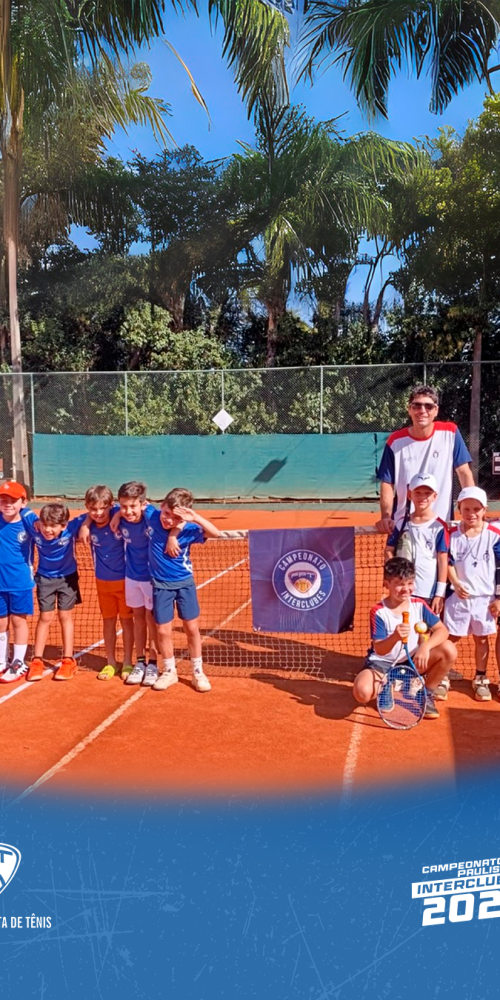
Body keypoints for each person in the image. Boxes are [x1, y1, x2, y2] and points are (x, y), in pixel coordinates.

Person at [353, 556, 457, 719]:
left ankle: (425, 693)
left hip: (412, 661)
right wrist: (395, 637)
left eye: (410, 583)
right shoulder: (378, 612)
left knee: (449, 649)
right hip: (383, 664)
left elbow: (442, 631)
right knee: (362, 692)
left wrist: (425, 647)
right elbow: (379, 649)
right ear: (386, 584)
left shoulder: (419, 605)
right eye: (399, 584)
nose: (406, 589)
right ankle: (386, 685)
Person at [147, 487, 220, 693]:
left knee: (192, 629)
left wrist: (193, 518)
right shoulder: (151, 516)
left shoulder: (189, 529)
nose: (168, 520)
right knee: (163, 631)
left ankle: (198, 671)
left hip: (185, 584)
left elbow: (215, 533)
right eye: (166, 513)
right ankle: (170, 671)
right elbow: (133, 504)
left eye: (176, 518)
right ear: (161, 506)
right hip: (160, 585)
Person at [376, 385, 473, 533]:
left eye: (428, 406)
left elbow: (464, 473)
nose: (422, 411)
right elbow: (387, 483)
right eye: (417, 405)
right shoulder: (394, 441)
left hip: (441, 526)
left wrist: (471, 507)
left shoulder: (451, 433)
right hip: (404, 527)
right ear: (409, 409)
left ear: (436, 410)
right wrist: (386, 516)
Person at [443, 487, 500, 703]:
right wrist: (456, 583)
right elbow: (447, 562)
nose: (471, 513)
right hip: (458, 598)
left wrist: (498, 598)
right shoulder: (451, 534)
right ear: (459, 509)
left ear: (485, 509)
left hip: (484, 599)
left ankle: (481, 678)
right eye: (466, 509)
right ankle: (442, 676)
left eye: (476, 509)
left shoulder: (494, 535)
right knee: (451, 637)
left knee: (482, 639)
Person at [24, 503, 84, 681]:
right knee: (45, 617)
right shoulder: (35, 527)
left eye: (53, 526)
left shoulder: (70, 528)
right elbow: (23, 510)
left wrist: (87, 526)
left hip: (68, 579)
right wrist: (36, 521)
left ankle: (68, 660)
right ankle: (37, 660)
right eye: (45, 524)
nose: (47, 530)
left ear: (63, 526)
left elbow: (89, 515)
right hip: (44, 579)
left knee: (65, 616)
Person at [109, 481, 159, 686]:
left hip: (151, 578)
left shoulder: (152, 517)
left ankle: (153, 663)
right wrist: (116, 514)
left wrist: (118, 514)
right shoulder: (119, 515)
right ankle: (140, 661)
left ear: (143, 504)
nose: (128, 511)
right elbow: (100, 511)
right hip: (131, 577)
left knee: (151, 619)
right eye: (124, 506)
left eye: (133, 506)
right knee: (138, 618)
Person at [84, 484, 134, 681]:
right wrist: (85, 524)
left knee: (127, 623)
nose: (98, 513)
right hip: (102, 584)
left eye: (102, 508)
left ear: (111, 505)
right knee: (108, 622)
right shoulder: (87, 522)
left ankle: (128, 661)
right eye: (93, 509)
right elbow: (65, 524)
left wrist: (117, 514)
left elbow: (141, 508)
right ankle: (111, 662)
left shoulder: (119, 515)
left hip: (125, 582)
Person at [385, 473, 448, 613]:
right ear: (409, 495)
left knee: (426, 627)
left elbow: (443, 561)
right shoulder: (401, 523)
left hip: (427, 591)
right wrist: (394, 573)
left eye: (427, 493)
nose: (422, 497)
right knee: (403, 624)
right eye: (417, 493)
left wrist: (439, 594)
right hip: (403, 590)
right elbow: (389, 550)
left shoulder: (439, 527)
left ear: (434, 496)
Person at [0, 480, 38, 683]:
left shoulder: (28, 521)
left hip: (20, 581)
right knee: (1, 621)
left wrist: (29, 513)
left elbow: (45, 528)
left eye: (13, 500)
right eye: (3, 500)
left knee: (18, 620)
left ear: (23, 502)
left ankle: (18, 662)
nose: (7, 504)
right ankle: (1, 660)